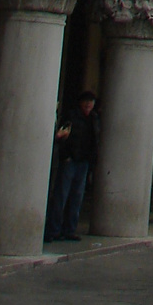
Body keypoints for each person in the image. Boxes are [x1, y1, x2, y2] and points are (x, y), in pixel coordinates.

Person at [45, 90, 100, 243]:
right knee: (61, 195)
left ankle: (69, 229)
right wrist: (66, 156)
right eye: (86, 101)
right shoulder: (71, 116)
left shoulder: (94, 118)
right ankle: (53, 229)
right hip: (70, 160)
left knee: (77, 197)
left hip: (84, 161)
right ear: (81, 103)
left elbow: (95, 140)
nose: (89, 105)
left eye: (91, 102)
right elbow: (63, 136)